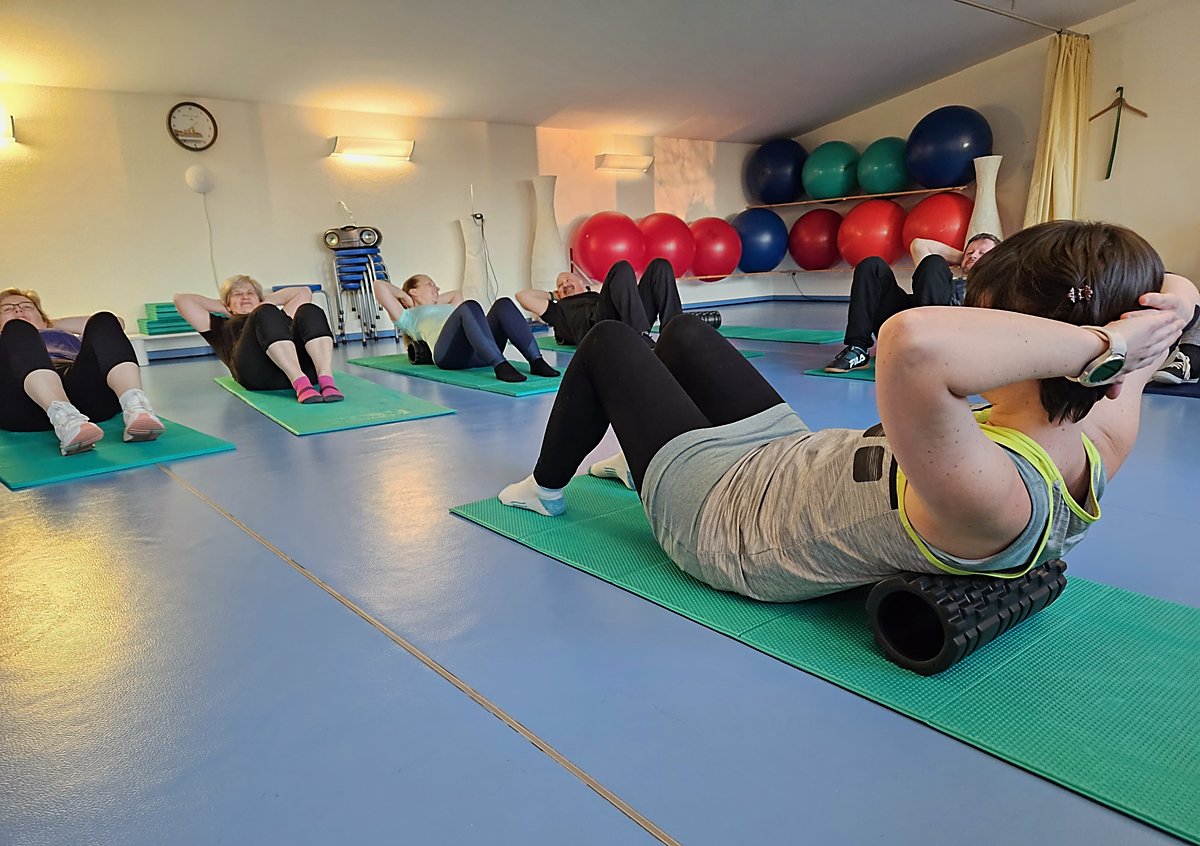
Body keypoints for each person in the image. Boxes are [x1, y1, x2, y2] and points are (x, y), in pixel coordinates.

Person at [498, 221, 1196, 602]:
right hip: (789, 459)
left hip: (727, 520)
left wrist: (1103, 342)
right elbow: (1172, 290)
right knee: (682, 332)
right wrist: (1152, 323)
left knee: (612, 341)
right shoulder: (1100, 431)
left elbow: (911, 342)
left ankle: (545, 489)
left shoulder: (997, 496)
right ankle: (639, 462)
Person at [0, 287, 164, 455]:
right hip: (23, 405)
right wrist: (21, 323)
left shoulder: (56, 330)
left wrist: (47, 324)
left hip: (84, 394)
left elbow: (118, 323)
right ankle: (64, 418)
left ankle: (136, 407)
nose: (18, 310)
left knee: (104, 319)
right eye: (7, 309)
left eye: (27, 307)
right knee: (16, 328)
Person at [824, 232, 1000, 372]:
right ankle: (858, 348)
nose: (974, 255)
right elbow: (919, 244)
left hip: (943, 337)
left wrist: (986, 262)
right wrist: (966, 258)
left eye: (982, 253)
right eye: (970, 252)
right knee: (872, 265)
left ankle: (927, 350)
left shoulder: (996, 285)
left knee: (934, 262)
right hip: (909, 325)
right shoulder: (941, 277)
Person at [175, 276, 344, 403]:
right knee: (264, 313)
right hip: (258, 376)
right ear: (227, 303)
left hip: (307, 373)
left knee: (309, 310)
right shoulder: (219, 325)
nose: (245, 297)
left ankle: (326, 380)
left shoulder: (274, 314)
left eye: (250, 293)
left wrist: (262, 302)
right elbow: (181, 299)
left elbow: (304, 292)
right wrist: (226, 307)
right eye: (237, 294)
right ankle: (299, 382)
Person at [373, 274, 558, 383]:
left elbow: (456, 294)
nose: (437, 287)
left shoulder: (448, 306)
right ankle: (500, 365)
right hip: (449, 356)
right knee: (469, 306)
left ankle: (536, 361)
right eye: (430, 284)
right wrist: (405, 297)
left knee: (503, 304)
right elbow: (378, 285)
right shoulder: (407, 316)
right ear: (413, 291)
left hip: (480, 352)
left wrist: (431, 299)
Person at [515, 259, 685, 347]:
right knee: (621, 267)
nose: (564, 285)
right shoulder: (558, 310)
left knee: (660, 266)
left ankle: (675, 334)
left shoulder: (595, 295)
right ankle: (638, 335)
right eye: (560, 285)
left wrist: (587, 289)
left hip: (624, 317)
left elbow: (619, 286)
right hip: (600, 327)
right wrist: (553, 295)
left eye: (568, 280)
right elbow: (522, 296)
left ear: (581, 282)